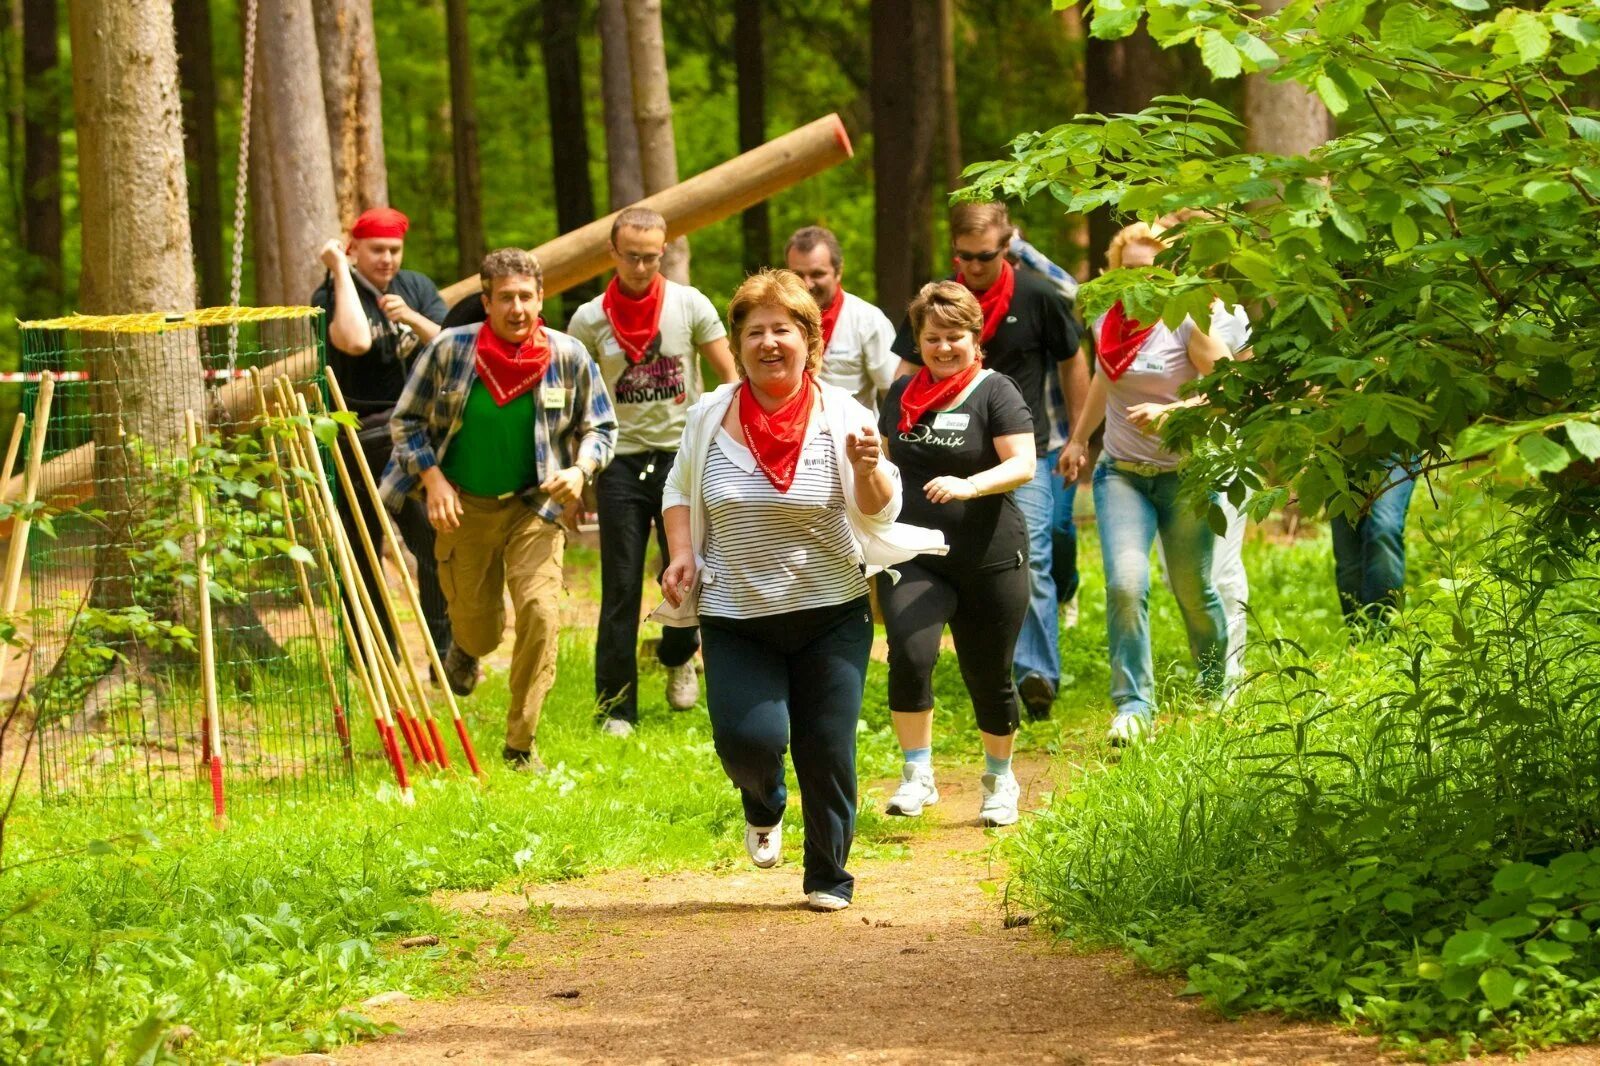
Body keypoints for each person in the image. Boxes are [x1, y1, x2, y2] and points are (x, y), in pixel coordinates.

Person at [656, 269, 943, 912]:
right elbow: (678, 491)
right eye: (754, 331)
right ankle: (764, 803)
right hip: (737, 612)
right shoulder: (709, 415)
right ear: (737, 343)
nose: (768, 343)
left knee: (827, 746)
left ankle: (827, 875)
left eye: (781, 329)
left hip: (831, 611)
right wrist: (681, 555)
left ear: (807, 339)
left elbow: (875, 512)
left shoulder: (842, 413)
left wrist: (869, 469)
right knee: (747, 740)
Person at [383, 248, 617, 772]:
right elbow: (407, 423)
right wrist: (433, 480)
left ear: (541, 300)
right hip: (463, 508)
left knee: (540, 612)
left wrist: (580, 471)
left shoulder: (568, 356)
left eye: (527, 297)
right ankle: (465, 648)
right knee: (480, 628)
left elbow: (601, 427)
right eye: (505, 298)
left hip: (535, 508)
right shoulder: (450, 350)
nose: (517, 308)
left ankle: (519, 743)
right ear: (486, 302)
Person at [893, 202, 1087, 722]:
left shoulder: (1038, 295)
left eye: (986, 256)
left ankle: (1034, 673)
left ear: (1008, 248)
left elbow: (1073, 363)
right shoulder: (936, 306)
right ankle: (1003, 660)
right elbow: (906, 372)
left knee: (1040, 556)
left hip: (1028, 448)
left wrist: (1078, 436)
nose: (975, 267)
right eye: (965, 256)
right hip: (947, 448)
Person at [1060, 223, 1238, 744]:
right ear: (1115, 274)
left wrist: (1176, 413)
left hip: (1184, 477)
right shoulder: (1103, 318)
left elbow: (1229, 390)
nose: (1141, 281)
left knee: (1192, 590)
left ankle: (1214, 687)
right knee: (1124, 585)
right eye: (1130, 271)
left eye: (1152, 271)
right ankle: (1134, 706)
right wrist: (1077, 440)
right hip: (1122, 475)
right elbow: (1102, 380)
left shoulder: (1188, 321)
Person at [567, 208, 737, 738]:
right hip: (619, 461)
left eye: (652, 256)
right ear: (613, 254)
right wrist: (579, 476)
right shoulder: (588, 319)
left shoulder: (690, 305)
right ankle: (616, 708)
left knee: (693, 574)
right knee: (619, 587)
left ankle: (680, 651)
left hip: (681, 459)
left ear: (663, 251)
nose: (642, 266)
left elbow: (729, 378)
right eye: (632, 256)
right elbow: (575, 404)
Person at [877, 282, 1036, 827]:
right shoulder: (899, 395)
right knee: (910, 653)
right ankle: (917, 774)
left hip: (988, 555)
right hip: (914, 553)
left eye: (955, 337)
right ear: (917, 341)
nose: (944, 348)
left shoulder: (996, 391)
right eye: (933, 338)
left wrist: (970, 486)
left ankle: (999, 779)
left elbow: (1023, 464)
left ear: (976, 338)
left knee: (988, 675)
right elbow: (881, 466)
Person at [311, 207, 452, 660]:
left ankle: (443, 652)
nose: (387, 259)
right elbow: (353, 341)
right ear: (355, 249)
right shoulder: (333, 291)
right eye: (377, 250)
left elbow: (450, 346)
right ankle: (373, 656)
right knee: (360, 549)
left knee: (431, 544)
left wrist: (410, 316)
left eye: (394, 250)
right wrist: (339, 272)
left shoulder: (416, 288)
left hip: (413, 436)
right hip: (354, 435)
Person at [784, 226, 904, 411]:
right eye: (798, 275)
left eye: (817, 274)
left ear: (838, 271)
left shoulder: (867, 320)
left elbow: (893, 392)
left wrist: (887, 439)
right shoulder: (775, 322)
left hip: (851, 436)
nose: (807, 284)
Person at [1332, 460, 1416, 631]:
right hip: (1337, 450)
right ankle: (1359, 640)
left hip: (1396, 449)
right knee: (1348, 556)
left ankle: (1383, 635)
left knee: (1384, 528)